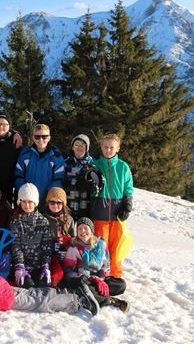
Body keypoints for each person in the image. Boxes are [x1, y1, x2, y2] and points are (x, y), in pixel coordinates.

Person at [62, 217, 130, 313]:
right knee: (86, 287)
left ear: (91, 230)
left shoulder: (101, 245)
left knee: (121, 284)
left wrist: (101, 279)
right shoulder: (74, 248)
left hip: (99, 278)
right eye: (80, 229)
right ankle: (108, 300)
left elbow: (106, 264)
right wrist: (88, 278)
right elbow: (68, 270)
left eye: (86, 228)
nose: (83, 231)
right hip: (84, 280)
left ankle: (95, 294)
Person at [90, 134, 134, 279]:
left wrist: (127, 204)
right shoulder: (95, 165)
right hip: (100, 212)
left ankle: (115, 276)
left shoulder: (123, 167)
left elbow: (128, 187)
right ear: (101, 147)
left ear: (118, 148)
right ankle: (101, 275)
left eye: (111, 147)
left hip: (117, 213)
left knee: (117, 247)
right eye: (105, 147)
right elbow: (89, 187)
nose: (108, 150)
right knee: (101, 246)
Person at [10, 183, 53, 288]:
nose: (27, 205)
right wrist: (19, 265)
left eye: (30, 202)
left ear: (35, 203)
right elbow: (16, 246)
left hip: (38, 266)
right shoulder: (15, 221)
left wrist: (45, 265)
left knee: (44, 286)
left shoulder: (43, 222)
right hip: (23, 266)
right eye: (23, 201)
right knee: (29, 286)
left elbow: (46, 246)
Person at [15, 124, 65, 209]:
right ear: (33, 138)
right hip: (28, 202)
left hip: (48, 202)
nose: (41, 140)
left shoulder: (56, 157)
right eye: (37, 137)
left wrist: (50, 196)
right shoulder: (25, 155)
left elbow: (58, 179)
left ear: (49, 138)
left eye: (44, 137)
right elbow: (19, 176)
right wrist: (25, 194)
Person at [43, 187, 76, 288]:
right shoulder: (43, 218)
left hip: (65, 255)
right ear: (48, 203)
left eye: (59, 203)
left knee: (72, 276)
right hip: (49, 256)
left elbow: (73, 238)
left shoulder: (68, 219)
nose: (55, 206)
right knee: (55, 275)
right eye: (52, 202)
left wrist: (68, 248)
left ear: (64, 204)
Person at [63, 134, 102, 219]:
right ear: (72, 147)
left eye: (82, 145)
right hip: (68, 207)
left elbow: (100, 185)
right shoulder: (65, 164)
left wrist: (93, 186)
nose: (79, 147)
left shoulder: (93, 164)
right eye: (76, 145)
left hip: (85, 208)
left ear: (87, 148)